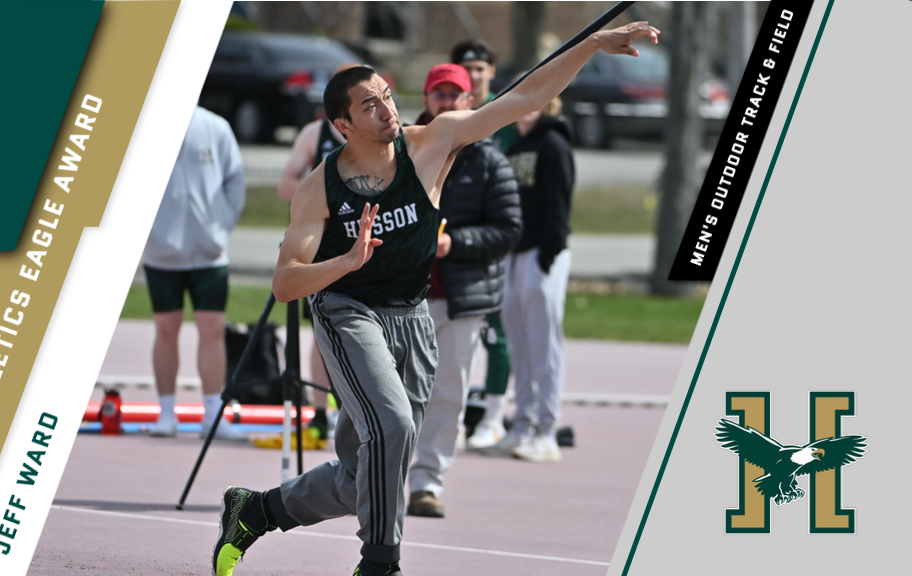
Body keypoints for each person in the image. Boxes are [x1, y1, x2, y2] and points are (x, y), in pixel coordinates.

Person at [211, 21, 659, 576]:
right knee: (394, 428)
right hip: (348, 311)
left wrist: (590, 45)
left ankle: (255, 511)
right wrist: (345, 262)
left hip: (412, 315)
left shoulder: (432, 142)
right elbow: (286, 283)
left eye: (386, 95)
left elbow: (524, 97)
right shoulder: (318, 188)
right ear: (342, 125)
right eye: (369, 105)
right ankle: (379, 565)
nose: (386, 108)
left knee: (366, 475)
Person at [405, 64, 521, 518]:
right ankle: (375, 478)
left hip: (460, 298)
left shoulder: (489, 159)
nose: (447, 102)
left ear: (471, 102)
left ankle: (426, 482)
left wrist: (455, 243)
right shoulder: (402, 148)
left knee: (448, 395)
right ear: (425, 99)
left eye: (456, 95)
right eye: (439, 94)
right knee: (392, 393)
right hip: (401, 295)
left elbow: (508, 229)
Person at [142, 105, 246, 441]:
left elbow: (234, 180)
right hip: (161, 252)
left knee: (212, 329)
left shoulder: (215, 126)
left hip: (209, 253)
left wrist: (221, 226)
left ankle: (213, 414)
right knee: (166, 328)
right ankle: (166, 412)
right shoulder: (144, 125)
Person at [485, 96, 575, 463]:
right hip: (514, 255)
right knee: (519, 344)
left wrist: (547, 256)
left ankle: (546, 431)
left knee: (543, 344)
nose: (531, 105)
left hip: (542, 255)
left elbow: (559, 205)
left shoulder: (554, 144)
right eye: (526, 96)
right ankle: (521, 425)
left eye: (540, 96)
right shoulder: (516, 146)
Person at [449, 39, 518, 450]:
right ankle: (450, 418)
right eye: (467, 68)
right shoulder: (448, 115)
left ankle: (493, 415)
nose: (474, 76)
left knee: (496, 327)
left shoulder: (507, 114)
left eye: (480, 68)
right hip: (454, 237)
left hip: (492, 233)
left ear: (491, 72)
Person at [277, 113, 348, 440]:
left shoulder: (380, 128)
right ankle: (320, 412)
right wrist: (329, 197)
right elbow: (285, 185)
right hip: (322, 249)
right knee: (322, 332)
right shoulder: (315, 133)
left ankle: (354, 411)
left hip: (363, 247)